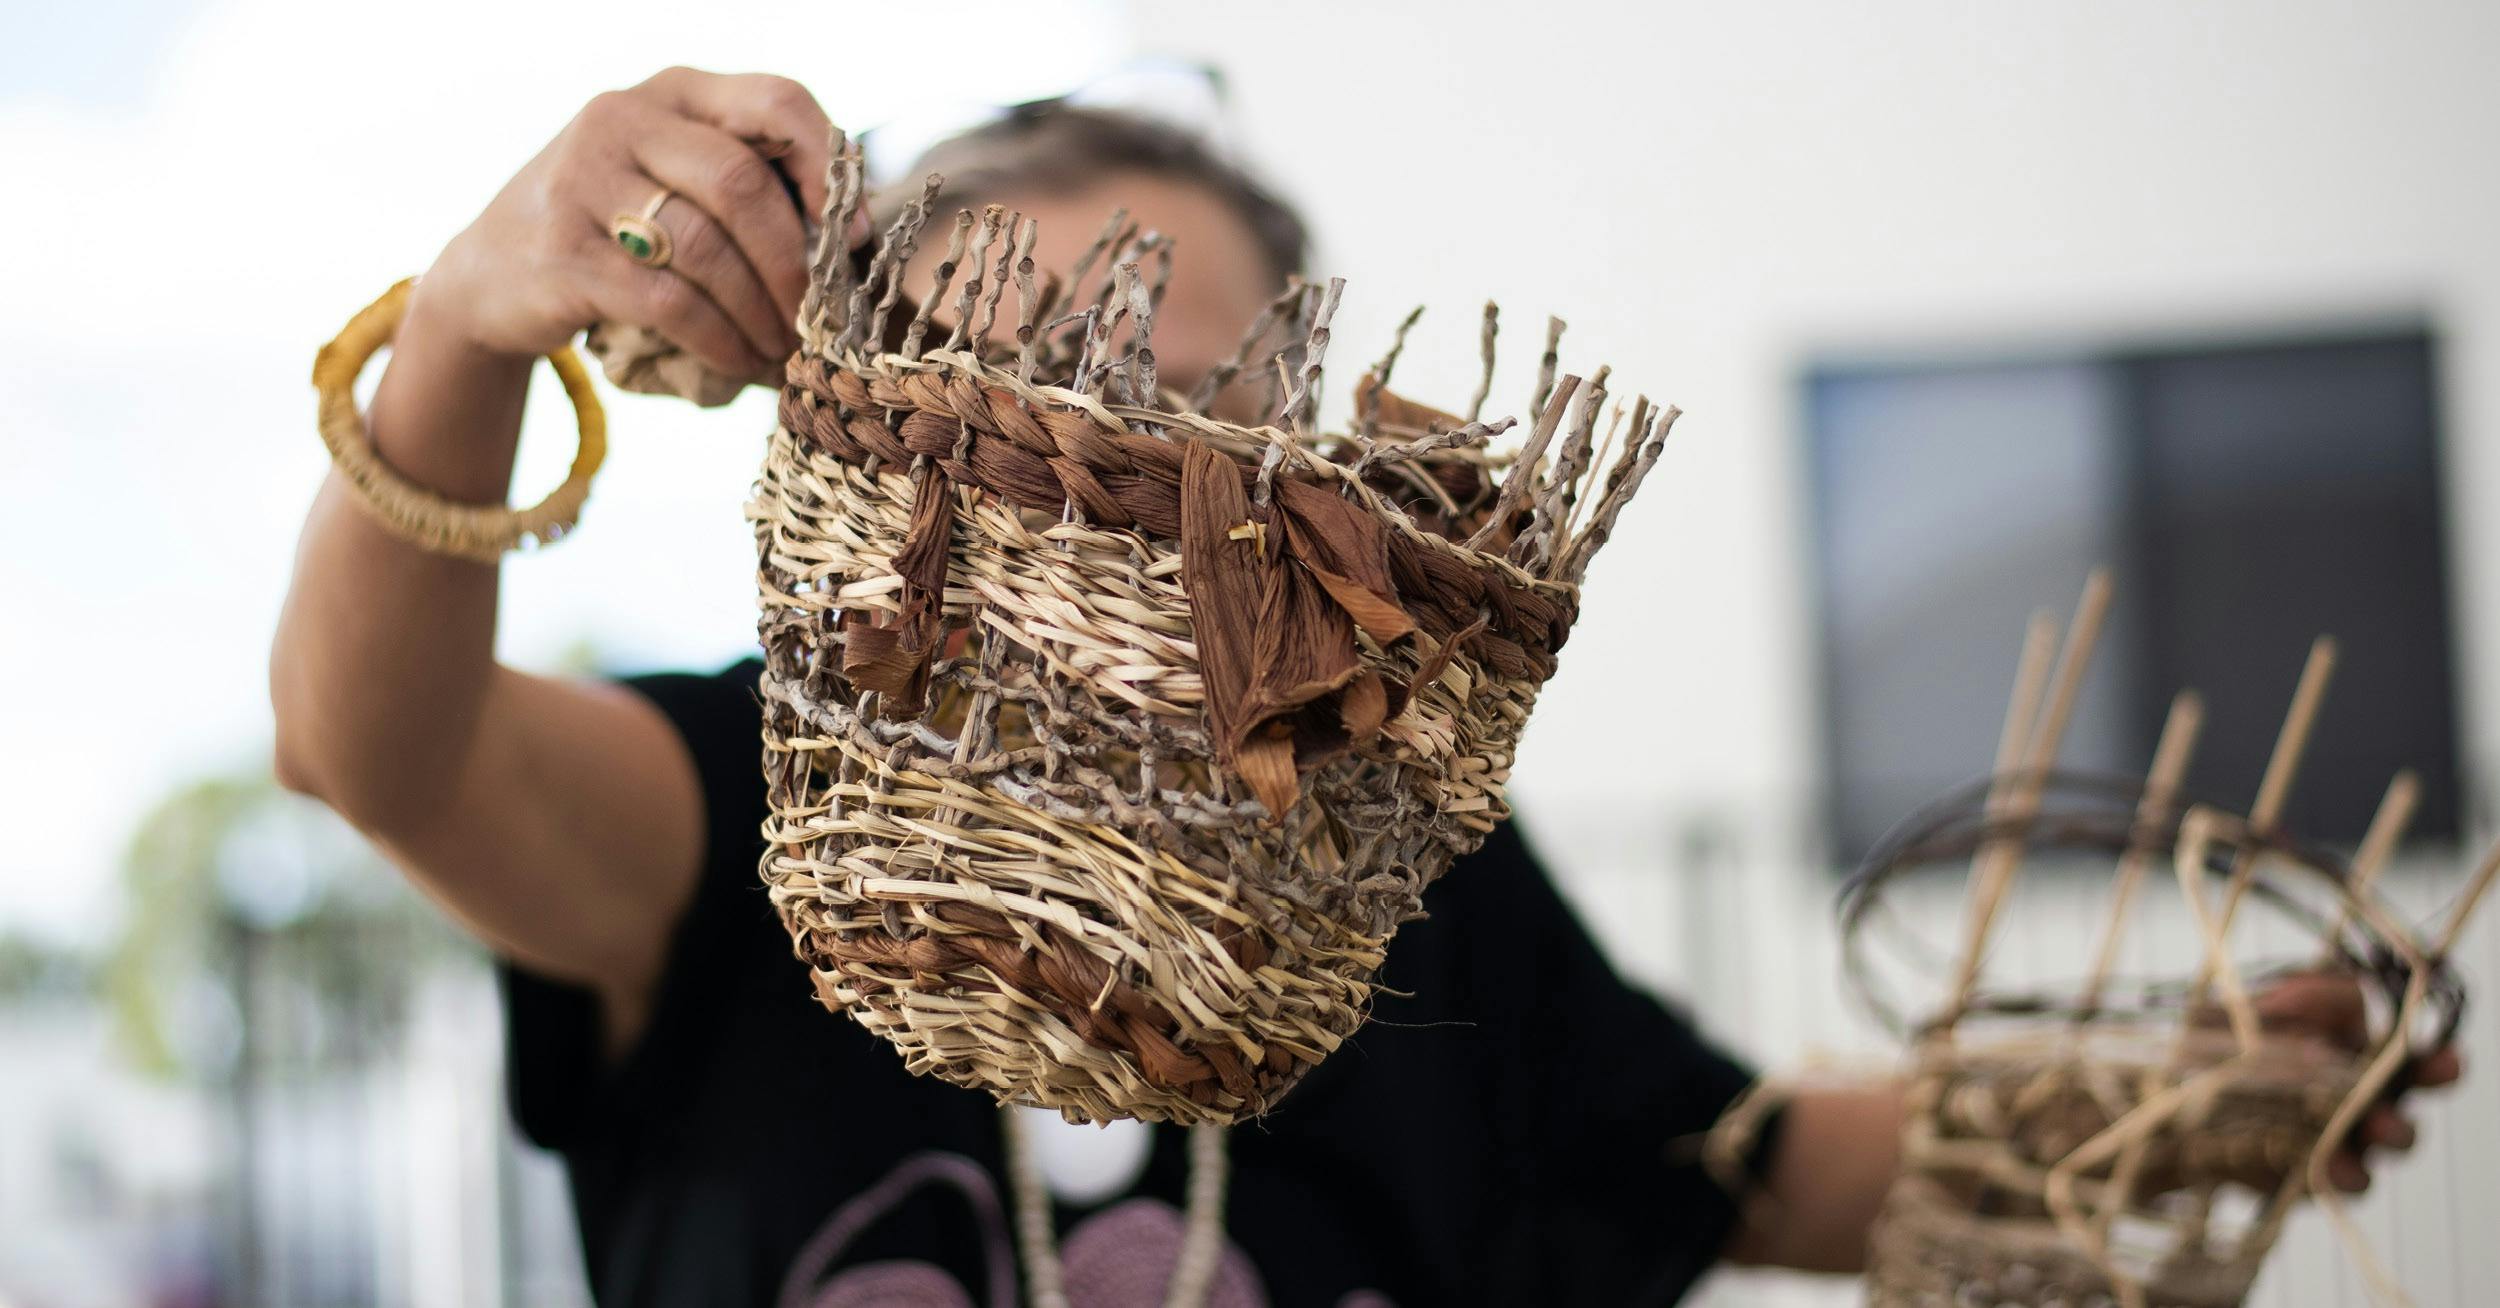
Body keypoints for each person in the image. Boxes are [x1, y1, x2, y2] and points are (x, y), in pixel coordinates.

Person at [272, 66, 2456, 1307]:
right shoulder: (724, 807)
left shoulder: (1399, 887)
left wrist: (2159, 1102)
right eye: (1020, 380)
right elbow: (378, 748)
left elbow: (1745, 1163)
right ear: (857, 410)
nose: (1099, 461)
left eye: (1193, 408)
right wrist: (469, 326)